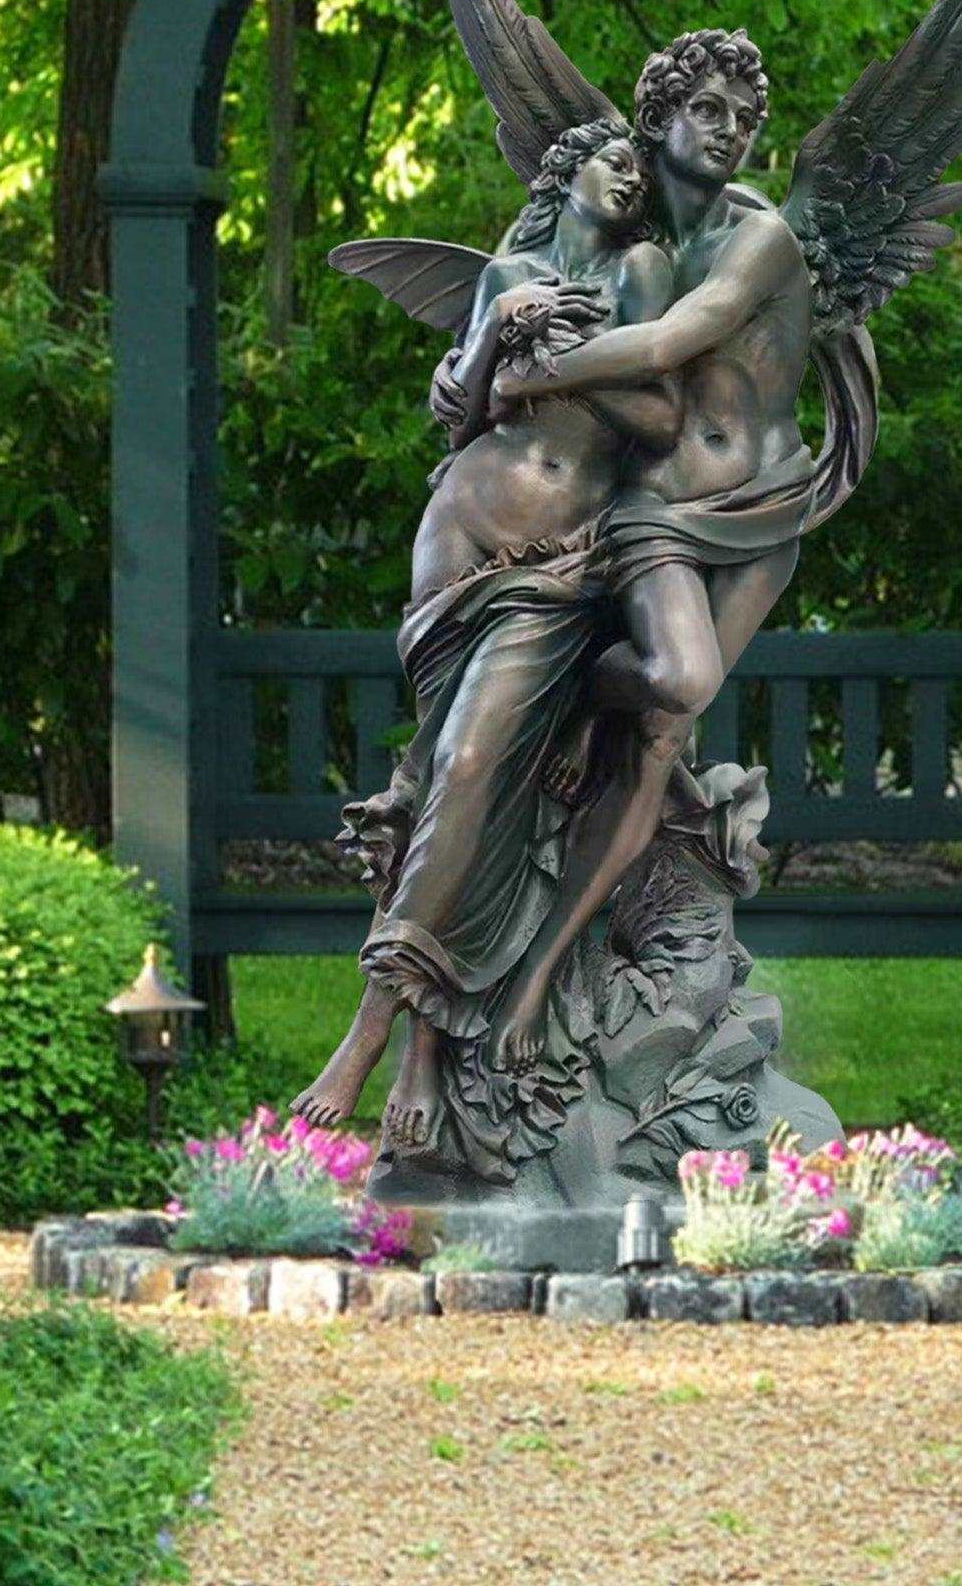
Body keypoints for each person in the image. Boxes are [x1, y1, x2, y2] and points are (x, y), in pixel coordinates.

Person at [290, 118, 683, 1156]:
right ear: (565, 172)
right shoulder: (508, 271)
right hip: (453, 546)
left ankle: (374, 1025)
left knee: (467, 764)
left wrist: (549, 371)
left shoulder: (639, 271)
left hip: (556, 566)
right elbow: (460, 411)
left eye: (640, 170)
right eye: (613, 159)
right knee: (444, 785)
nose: (631, 176)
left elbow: (660, 416)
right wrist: (493, 325)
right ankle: (425, 1045)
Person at [482, 29, 818, 1071]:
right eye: (710, 110)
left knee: (660, 741)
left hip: (767, 506)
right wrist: (500, 330)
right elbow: (513, 281)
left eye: (746, 118)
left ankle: (537, 976)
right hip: (654, 511)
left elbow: (679, 341)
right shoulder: (615, 223)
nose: (731, 132)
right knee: (677, 678)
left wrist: (537, 367)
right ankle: (590, 686)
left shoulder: (758, 235)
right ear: (660, 114)